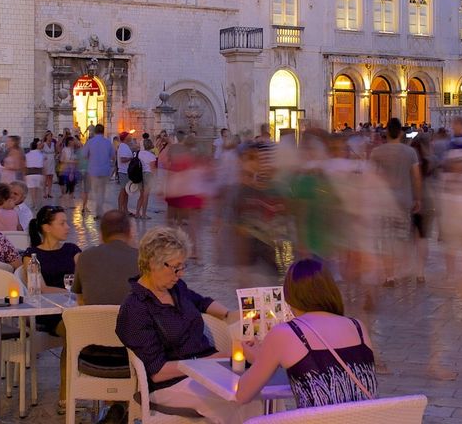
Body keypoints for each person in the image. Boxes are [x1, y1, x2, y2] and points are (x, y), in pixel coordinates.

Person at [117, 226, 258, 424]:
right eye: (176, 267)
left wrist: (229, 314)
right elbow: (157, 372)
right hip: (171, 384)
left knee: (255, 391)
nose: (181, 274)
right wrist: (206, 362)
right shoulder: (136, 308)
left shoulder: (176, 288)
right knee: (236, 401)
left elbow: (201, 302)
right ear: (152, 263)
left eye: (183, 266)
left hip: (208, 369)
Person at [234, 258, 376, 408]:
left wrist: (258, 359)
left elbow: (243, 394)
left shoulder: (286, 332)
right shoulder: (358, 327)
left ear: (290, 296)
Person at [368, 118, 421, 286]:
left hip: (383, 201)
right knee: (400, 239)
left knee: (386, 239)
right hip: (404, 200)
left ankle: (389, 275)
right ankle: (400, 270)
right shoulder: (410, 152)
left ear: (386, 132)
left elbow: (370, 176)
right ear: (400, 132)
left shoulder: (377, 152)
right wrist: (418, 198)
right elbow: (416, 177)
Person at [27, 206, 81, 334]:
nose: (68, 227)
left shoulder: (72, 250)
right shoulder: (32, 255)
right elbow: (41, 288)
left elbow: (85, 278)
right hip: (48, 309)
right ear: (47, 228)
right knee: (75, 327)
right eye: (62, 223)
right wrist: (72, 294)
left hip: (73, 306)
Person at [74, 209, 138, 306]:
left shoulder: (85, 257)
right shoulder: (142, 259)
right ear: (129, 232)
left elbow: (80, 300)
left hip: (94, 319)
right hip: (132, 320)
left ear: (101, 234)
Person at [81, 125, 114, 214]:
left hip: (93, 170)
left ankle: (98, 210)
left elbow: (84, 155)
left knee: (95, 191)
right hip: (104, 170)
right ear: (103, 131)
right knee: (102, 190)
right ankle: (99, 209)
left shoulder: (90, 142)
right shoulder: (108, 142)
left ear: (95, 131)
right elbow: (112, 156)